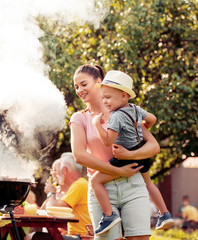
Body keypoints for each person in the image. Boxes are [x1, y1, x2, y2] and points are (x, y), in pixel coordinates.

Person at [70, 64, 161, 240]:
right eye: (76, 87)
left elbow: (153, 146)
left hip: (132, 185)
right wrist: (117, 171)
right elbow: (79, 155)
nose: (79, 90)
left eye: (83, 84)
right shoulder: (79, 118)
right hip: (102, 189)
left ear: (99, 82)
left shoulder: (125, 112)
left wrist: (129, 155)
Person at [90, 70, 174, 235]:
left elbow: (107, 141)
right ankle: (164, 213)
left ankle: (109, 215)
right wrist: (140, 129)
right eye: (103, 97)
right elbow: (152, 119)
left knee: (95, 182)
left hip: (125, 158)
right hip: (142, 154)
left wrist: (96, 125)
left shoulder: (116, 116)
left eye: (108, 97)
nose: (105, 101)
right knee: (148, 183)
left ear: (123, 96)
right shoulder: (135, 109)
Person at [25, 152, 92, 240]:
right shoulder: (76, 185)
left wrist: (51, 193)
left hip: (81, 236)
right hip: (72, 234)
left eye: (57, 170)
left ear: (64, 170)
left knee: (35, 237)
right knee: (32, 236)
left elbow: (53, 208)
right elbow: (42, 212)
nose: (53, 173)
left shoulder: (80, 184)